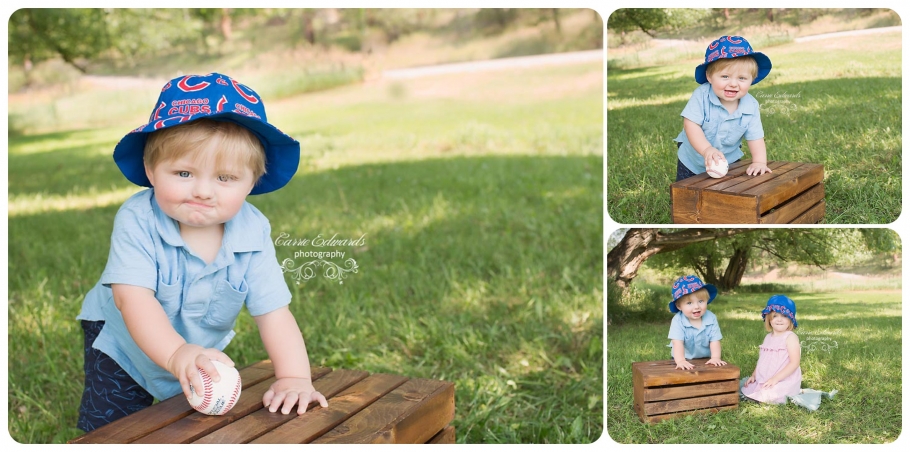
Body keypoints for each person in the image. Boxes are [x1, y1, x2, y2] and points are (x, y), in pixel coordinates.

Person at [76, 73, 327, 432]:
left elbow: (274, 313)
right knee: (114, 424)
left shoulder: (252, 231)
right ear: (151, 170)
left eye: (224, 178)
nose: (203, 191)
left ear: (252, 182)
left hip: (194, 341)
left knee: (185, 423)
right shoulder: (139, 219)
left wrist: (294, 377)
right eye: (183, 172)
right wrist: (177, 354)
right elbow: (133, 300)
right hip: (122, 341)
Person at [674, 35, 773, 181]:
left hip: (728, 160)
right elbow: (691, 125)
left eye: (742, 78)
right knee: (685, 195)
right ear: (709, 76)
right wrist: (707, 150)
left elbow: (755, 137)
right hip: (692, 160)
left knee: (728, 192)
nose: (733, 84)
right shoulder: (701, 96)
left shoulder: (750, 106)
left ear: (752, 79)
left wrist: (759, 162)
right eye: (725, 76)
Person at [741, 295, 802, 404]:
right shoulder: (768, 337)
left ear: (791, 319)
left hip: (784, 379)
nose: (779, 319)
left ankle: (774, 390)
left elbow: (794, 363)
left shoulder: (790, 337)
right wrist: (754, 375)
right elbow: (762, 360)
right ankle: (762, 384)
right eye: (775, 316)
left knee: (772, 394)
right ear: (769, 319)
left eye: (784, 315)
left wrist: (776, 379)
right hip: (767, 377)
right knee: (749, 387)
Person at [667, 275, 727, 370]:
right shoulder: (678, 320)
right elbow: (677, 343)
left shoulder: (711, 318)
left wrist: (715, 358)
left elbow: (715, 341)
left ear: (706, 300)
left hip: (706, 358)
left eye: (700, 301)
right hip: (682, 358)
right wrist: (681, 361)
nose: (696, 307)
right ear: (679, 306)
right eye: (689, 303)